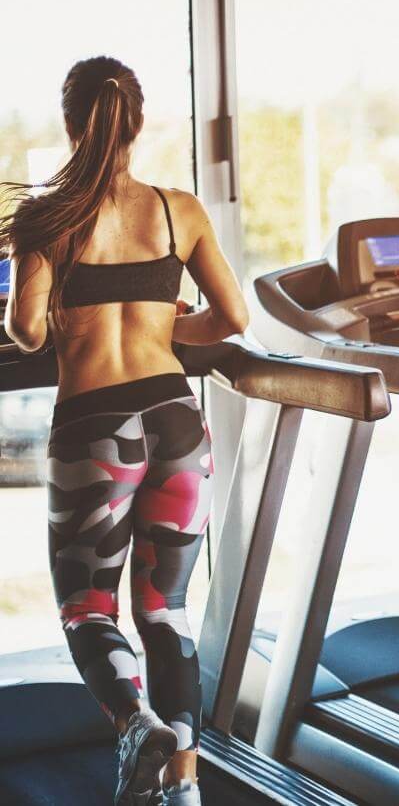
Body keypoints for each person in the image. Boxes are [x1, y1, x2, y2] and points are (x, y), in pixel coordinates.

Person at [1, 57, 249, 805]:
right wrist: (169, 333)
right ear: (135, 125)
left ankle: (136, 723)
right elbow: (233, 319)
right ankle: (184, 781)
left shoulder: (47, 217)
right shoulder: (180, 209)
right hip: (176, 420)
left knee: (89, 608)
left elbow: (27, 330)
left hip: (94, 427)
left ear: (72, 123)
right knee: (164, 609)